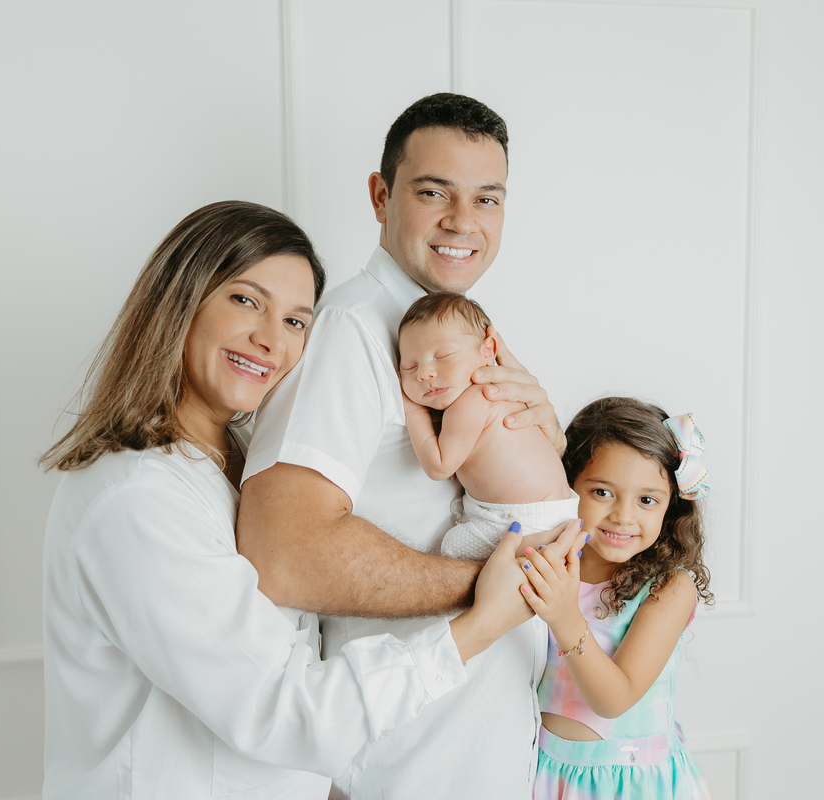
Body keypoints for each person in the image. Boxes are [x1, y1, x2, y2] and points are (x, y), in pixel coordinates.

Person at [38, 200, 564, 800]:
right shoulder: (136, 501)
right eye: (245, 300)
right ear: (181, 301)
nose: (269, 339)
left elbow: (288, 667)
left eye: (295, 322)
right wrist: (483, 616)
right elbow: (283, 711)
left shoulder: (238, 462)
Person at [239, 93, 583, 798]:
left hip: (486, 735)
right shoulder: (351, 334)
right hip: (417, 754)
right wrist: (513, 586)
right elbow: (282, 551)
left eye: (488, 199)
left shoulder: (446, 330)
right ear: (380, 195)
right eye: (435, 192)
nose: (464, 222)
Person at [518, 397, 715, 799]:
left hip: (627, 783)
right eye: (603, 492)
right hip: (543, 775)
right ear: (569, 484)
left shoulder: (668, 587)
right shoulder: (551, 562)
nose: (624, 516)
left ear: (670, 508)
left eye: (646, 500)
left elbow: (615, 700)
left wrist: (564, 615)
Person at [397, 292, 578, 560]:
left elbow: (438, 466)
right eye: (410, 367)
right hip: (554, 509)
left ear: (488, 351)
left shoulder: (471, 402)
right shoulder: (500, 392)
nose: (425, 373)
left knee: (451, 547)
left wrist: (413, 411)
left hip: (522, 520)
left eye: (443, 356)